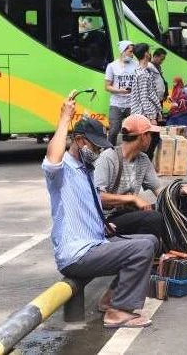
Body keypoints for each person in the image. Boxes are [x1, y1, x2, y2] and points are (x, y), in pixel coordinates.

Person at [42, 96, 157, 329]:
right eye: (93, 146)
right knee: (142, 248)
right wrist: (65, 117)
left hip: (94, 243)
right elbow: (53, 157)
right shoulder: (63, 169)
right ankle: (117, 312)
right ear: (79, 140)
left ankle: (112, 300)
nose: (97, 151)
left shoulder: (86, 170)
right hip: (77, 254)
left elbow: (88, 206)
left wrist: (103, 226)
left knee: (150, 240)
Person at [94, 114, 164, 241]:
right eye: (150, 135)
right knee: (154, 218)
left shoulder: (143, 159)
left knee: (165, 211)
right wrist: (132, 199)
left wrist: (179, 190)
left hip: (128, 214)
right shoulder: (108, 158)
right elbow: (98, 196)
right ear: (143, 136)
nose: (152, 139)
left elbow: (160, 192)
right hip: (107, 220)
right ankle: (140, 253)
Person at [105, 41, 137, 145]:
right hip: (116, 104)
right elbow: (107, 87)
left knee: (132, 130)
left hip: (132, 103)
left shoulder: (136, 65)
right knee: (114, 130)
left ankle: (130, 150)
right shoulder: (112, 66)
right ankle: (109, 150)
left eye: (133, 52)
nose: (132, 54)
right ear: (123, 51)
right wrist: (121, 91)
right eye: (130, 52)